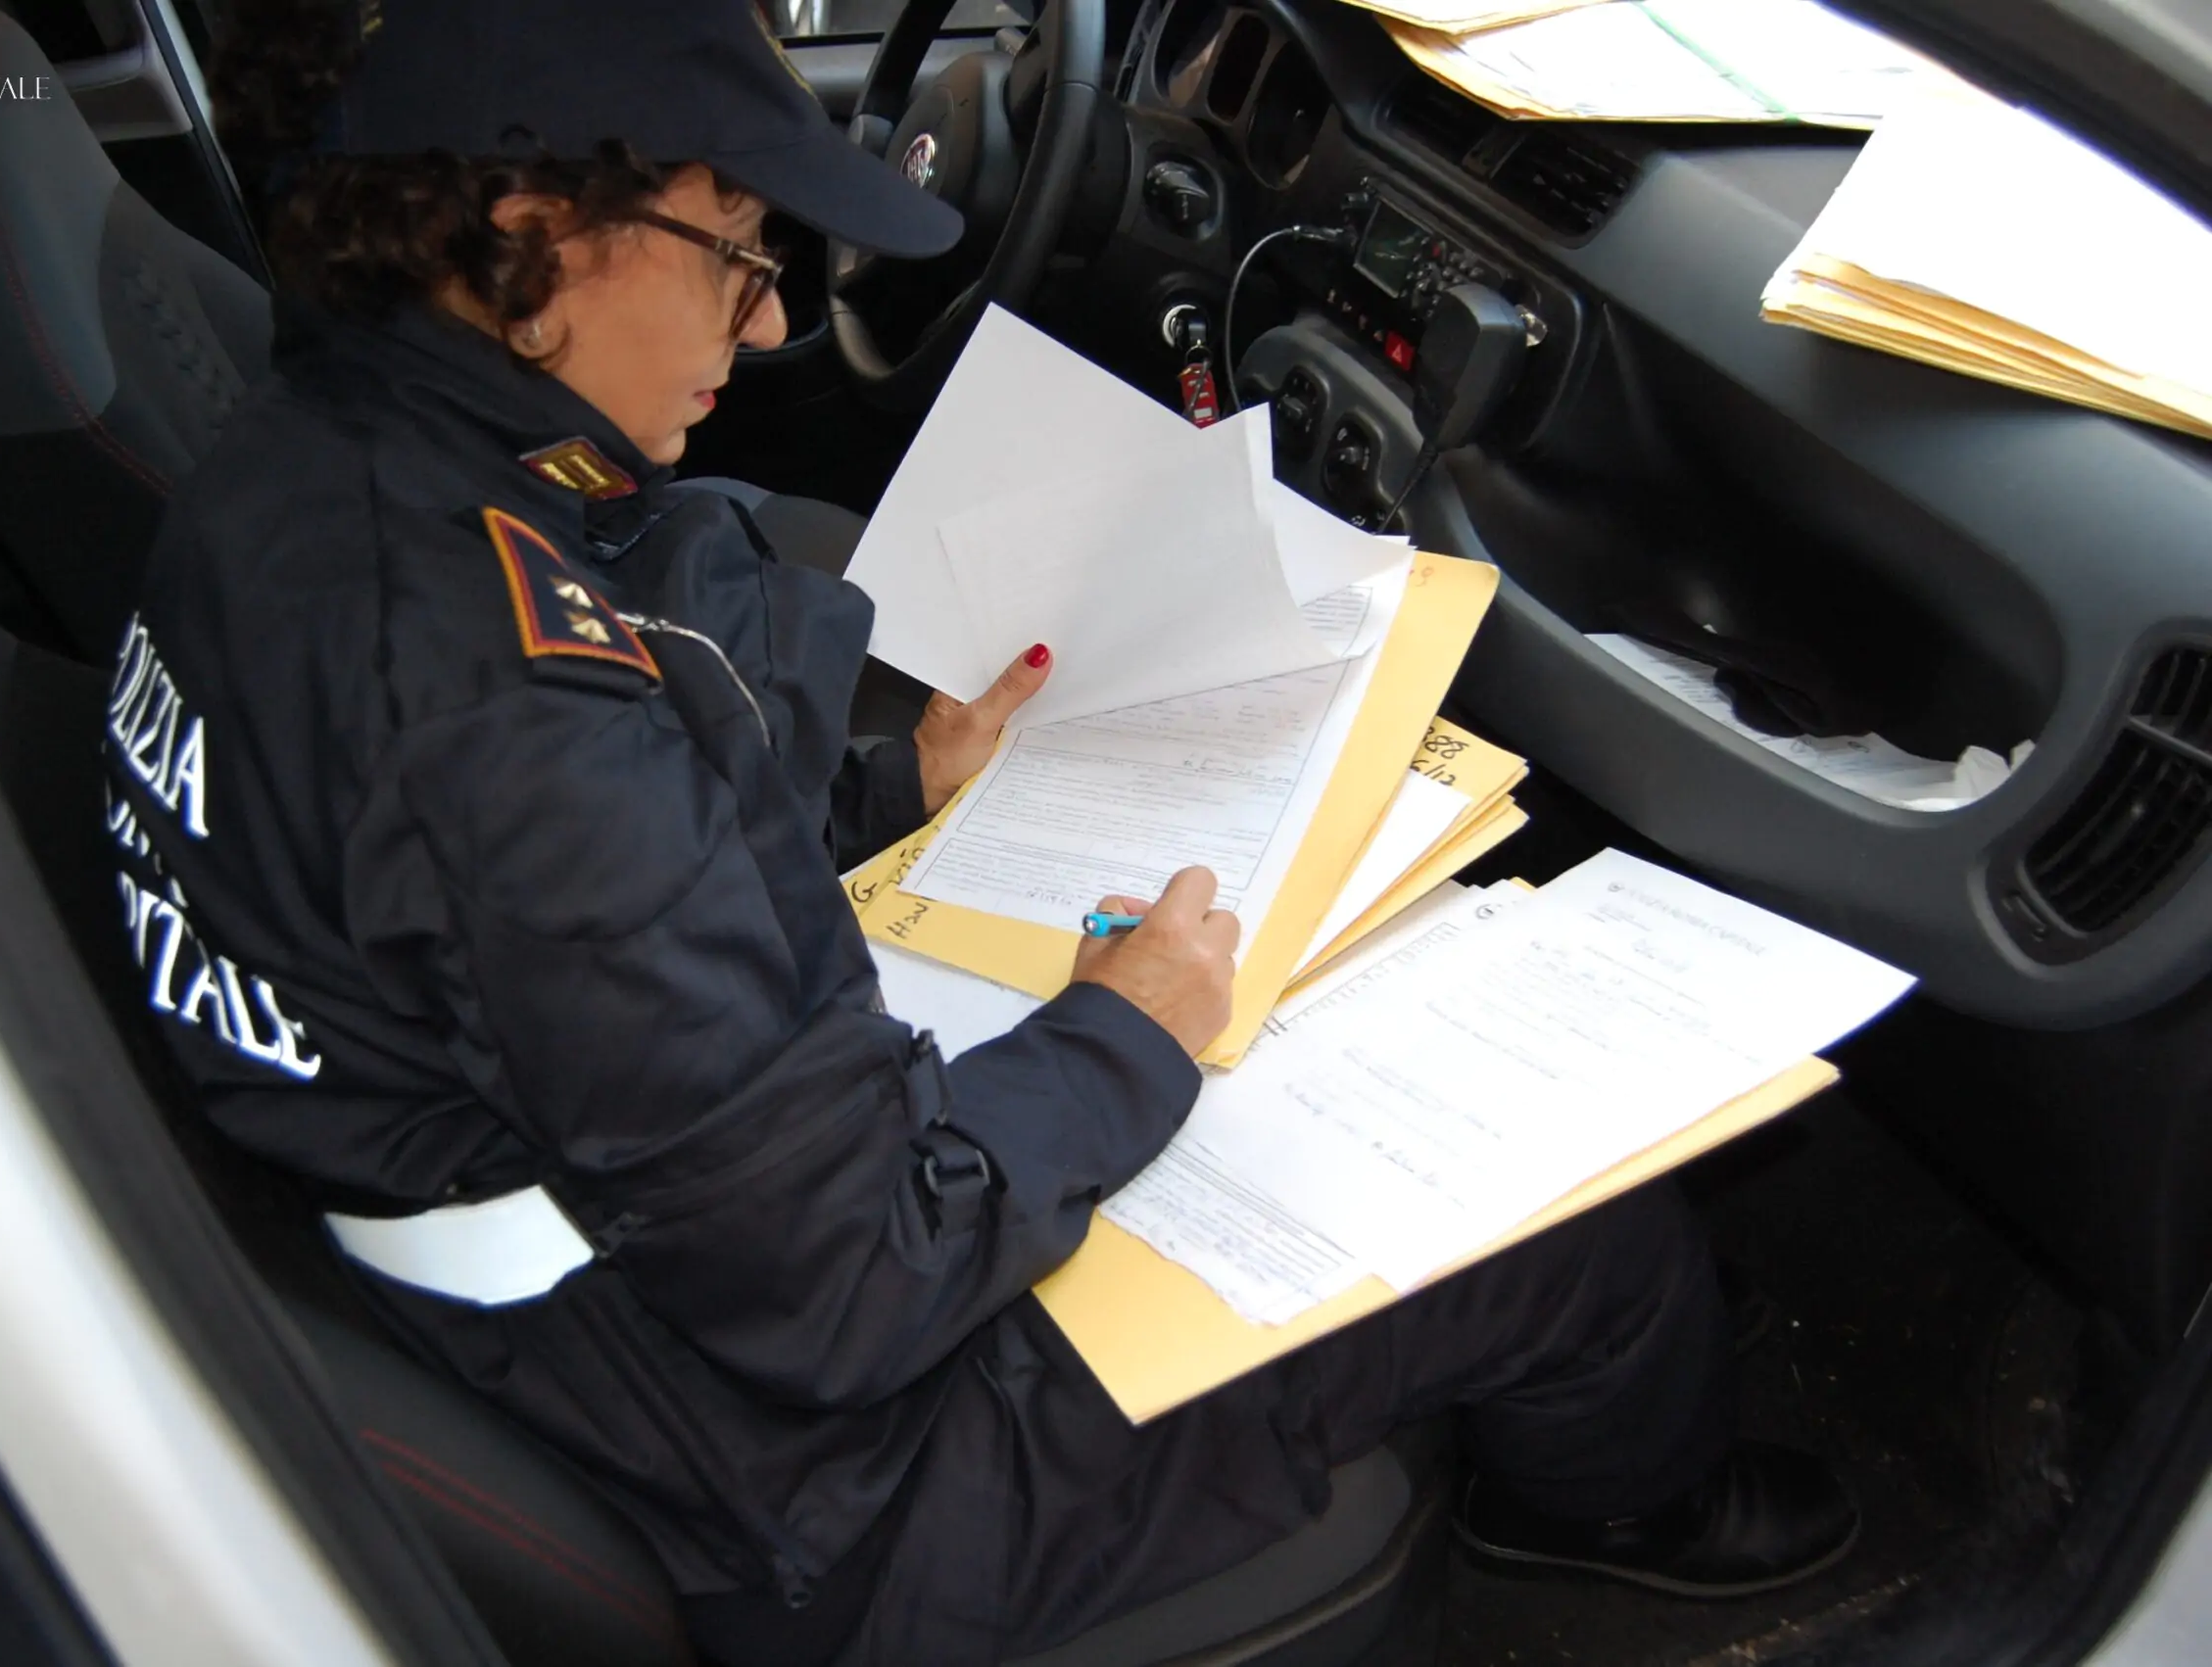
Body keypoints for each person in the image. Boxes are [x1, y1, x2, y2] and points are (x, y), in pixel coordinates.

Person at [103, 0, 1861, 1660]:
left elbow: (546, 910)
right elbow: (857, 1275)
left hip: (612, 1312)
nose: (768, 325)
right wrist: (1128, 1034)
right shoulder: (498, 713)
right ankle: (1616, 1519)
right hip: (825, 1489)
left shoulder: (311, 472)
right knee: (1572, 1229)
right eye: (739, 252)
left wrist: (898, 796)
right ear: (536, 231)